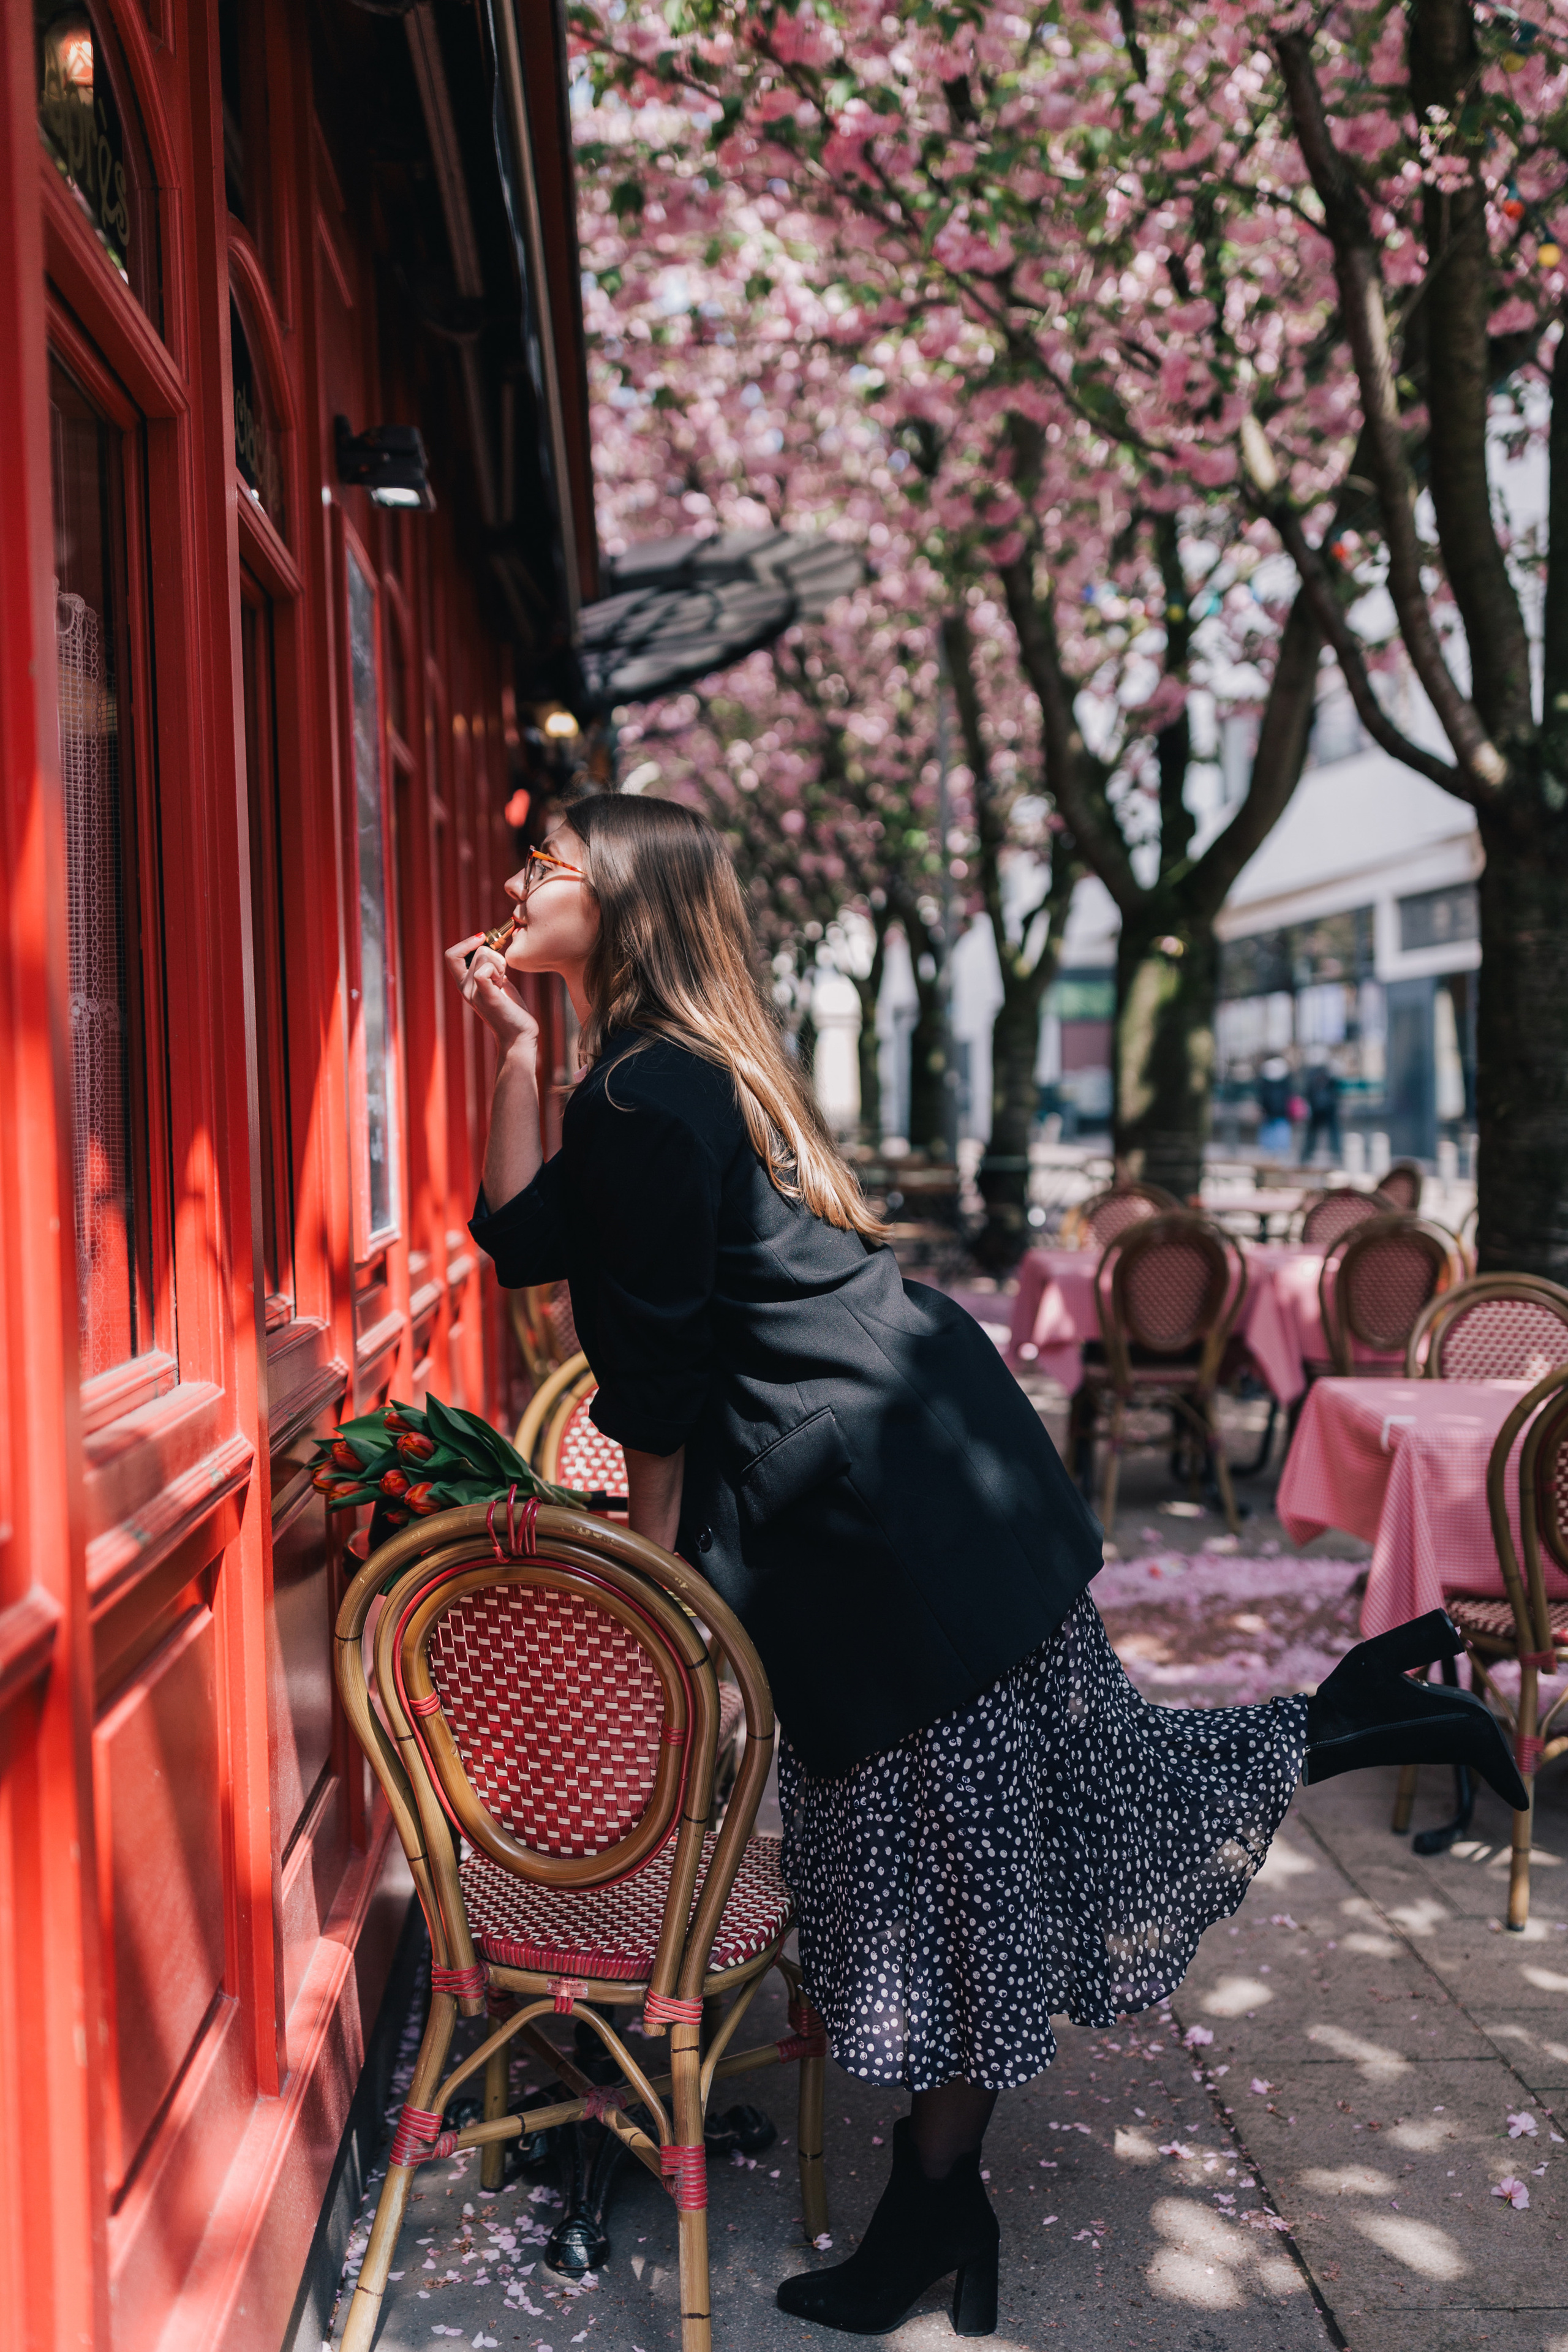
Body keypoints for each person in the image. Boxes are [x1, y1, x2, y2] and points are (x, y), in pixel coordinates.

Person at [448, 794, 1525, 2342]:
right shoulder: (641, 1074)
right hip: (913, 1456)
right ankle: (1350, 1711)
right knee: (1041, 1807)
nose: (515, 881)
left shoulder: (645, 1091)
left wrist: (674, 1616)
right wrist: (509, 1031)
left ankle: (932, 2203)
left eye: (546, 865)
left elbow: (662, 1398)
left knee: (953, 1859)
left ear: (619, 902)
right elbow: (514, 1236)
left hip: (877, 1503)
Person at [1301, 1054, 1343, 1166]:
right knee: (1317, 1134)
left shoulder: (1319, 1074)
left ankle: (1336, 1154)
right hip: (1324, 1108)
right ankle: (1307, 1156)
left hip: (1323, 1108)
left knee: (1323, 1134)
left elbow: (1308, 1091)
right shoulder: (1326, 1073)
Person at [1254, 1054, 1294, 1159]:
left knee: (1269, 1147)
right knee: (1281, 1146)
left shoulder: (1266, 1077)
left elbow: (1263, 1096)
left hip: (1271, 1114)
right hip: (1281, 1114)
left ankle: (1273, 1160)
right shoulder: (1285, 1077)